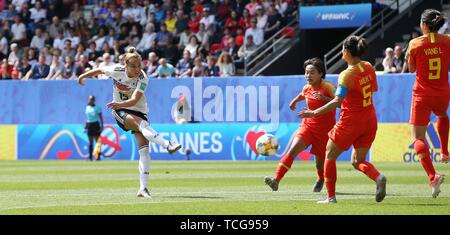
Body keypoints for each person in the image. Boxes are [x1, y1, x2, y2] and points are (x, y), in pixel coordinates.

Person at [77, 47, 182, 198]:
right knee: (142, 125)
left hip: (137, 110)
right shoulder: (116, 70)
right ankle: (167, 144)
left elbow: (134, 100)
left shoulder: (143, 77)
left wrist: (119, 104)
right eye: (133, 66)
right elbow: (99, 70)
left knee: (144, 151)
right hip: (120, 112)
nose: (138, 69)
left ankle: (143, 189)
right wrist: (82, 76)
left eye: (139, 65)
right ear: (125, 65)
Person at [299, 36, 387, 203]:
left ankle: (330, 197)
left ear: (347, 52)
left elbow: (338, 102)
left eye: (342, 49)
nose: (341, 52)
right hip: (369, 119)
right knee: (357, 161)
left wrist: (314, 113)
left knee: (329, 154)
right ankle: (378, 177)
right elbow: (371, 90)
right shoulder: (368, 66)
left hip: (351, 121)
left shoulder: (346, 74)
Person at [265, 58, 336, 193]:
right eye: (306, 72)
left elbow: (340, 101)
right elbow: (303, 94)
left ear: (321, 74)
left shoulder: (328, 87)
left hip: (324, 131)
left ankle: (321, 179)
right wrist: (294, 101)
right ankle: (276, 180)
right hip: (308, 126)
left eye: (312, 73)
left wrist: (325, 99)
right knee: (292, 151)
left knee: (319, 163)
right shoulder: (307, 87)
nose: (308, 76)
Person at [405, 9, 449, 198]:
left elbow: (412, 68)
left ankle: (433, 176)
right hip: (443, 91)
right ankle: (445, 152)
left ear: (424, 24)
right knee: (442, 115)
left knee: (417, 138)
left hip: (422, 94)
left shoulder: (415, 43)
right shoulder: (447, 40)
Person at [84, 96, 104, 161]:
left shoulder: (97, 108)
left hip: (96, 125)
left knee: (97, 142)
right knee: (90, 142)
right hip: (89, 125)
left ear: (94, 100)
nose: (91, 100)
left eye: (92, 99)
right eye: (90, 99)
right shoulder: (87, 108)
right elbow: (87, 119)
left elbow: (101, 118)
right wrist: (85, 127)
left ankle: (98, 157)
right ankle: (90, 157)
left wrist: (102, 126)